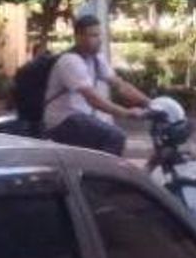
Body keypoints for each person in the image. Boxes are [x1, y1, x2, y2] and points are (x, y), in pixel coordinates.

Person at [41, 12, 152, 156]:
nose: (99, 40)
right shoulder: (70, 61)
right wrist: (126, 113)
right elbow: (92, 98)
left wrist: (151, 103)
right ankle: (102, 178)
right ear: (78, 37)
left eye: (99, 35)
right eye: (93, 36)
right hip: (63, 120)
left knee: (104, 134)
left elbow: (120, 86)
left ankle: (91, 175)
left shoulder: (96, 58)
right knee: (114, 137)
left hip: (81, 118)